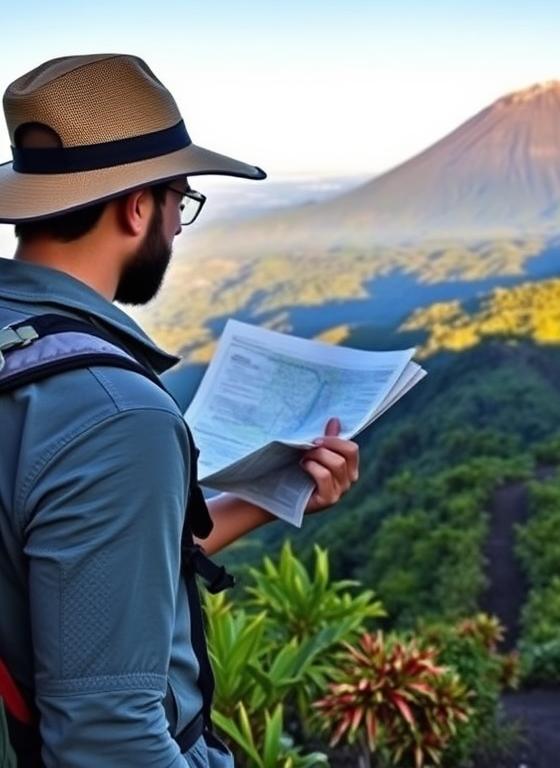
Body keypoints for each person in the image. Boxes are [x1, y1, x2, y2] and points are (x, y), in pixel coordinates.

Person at [0, 54, 359, 766]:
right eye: (181, 201)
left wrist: (266, 495)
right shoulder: (114, 414)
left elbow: (70, 571)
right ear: (139, 206)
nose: (178, 223)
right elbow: (110, 739)